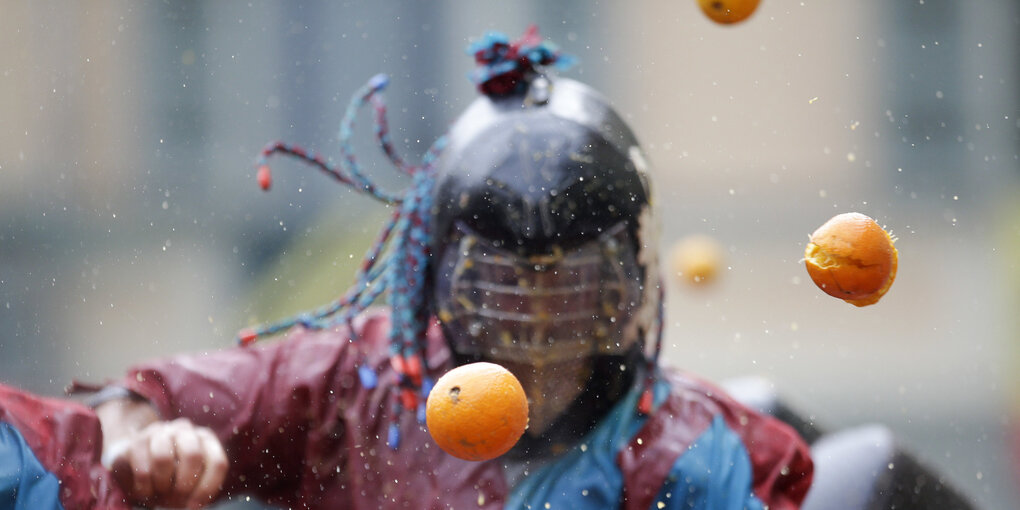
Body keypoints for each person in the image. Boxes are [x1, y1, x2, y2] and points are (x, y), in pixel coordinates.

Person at [7, 27, 814, 509]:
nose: (534, 330)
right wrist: (146, 450)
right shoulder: (349, 387)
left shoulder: (698, 454)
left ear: (631, 290)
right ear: (438, 283)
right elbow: (119, 423)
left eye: (572, 289)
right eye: (504, 286)